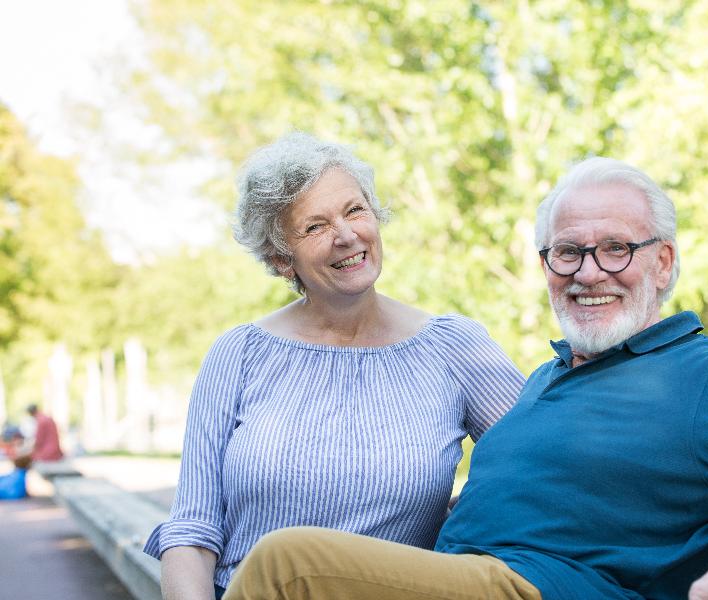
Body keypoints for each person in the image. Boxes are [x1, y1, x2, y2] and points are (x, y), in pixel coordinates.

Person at [223, 157, 708, 600]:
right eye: (567, 252)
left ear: (663, 263)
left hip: (543, 589)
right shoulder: (545, 379)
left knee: (288, 567)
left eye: (616, 249)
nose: (588, 272)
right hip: (461, 579)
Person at [143, 132, 524, 600]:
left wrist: (465, 522)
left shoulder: (453, 347)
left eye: (354, 210)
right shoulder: (238, 354)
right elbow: (192, 531)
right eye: (315, 227)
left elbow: (542, 465)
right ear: (282, 260)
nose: (345, 236)